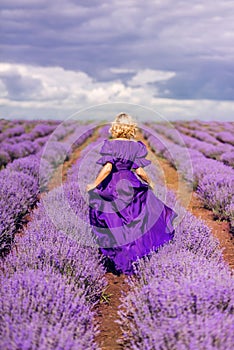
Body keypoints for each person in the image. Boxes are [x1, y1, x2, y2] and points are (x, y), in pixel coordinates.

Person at [86, 112, 178, 276]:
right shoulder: (135, 146)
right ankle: (135, 257)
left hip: (113, 186)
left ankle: (120, 258)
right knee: (134, 223)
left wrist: (94, 184)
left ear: (116, 127)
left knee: (114, 223)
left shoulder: (110, 145)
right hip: (131, 184)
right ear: (131, 128)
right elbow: (140, 171)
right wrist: (149, 183)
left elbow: (108, 168)